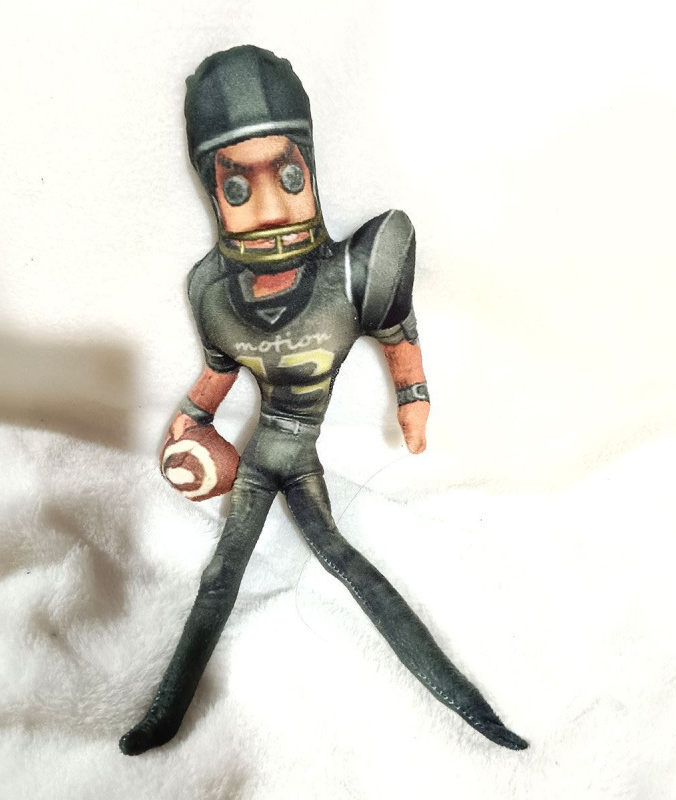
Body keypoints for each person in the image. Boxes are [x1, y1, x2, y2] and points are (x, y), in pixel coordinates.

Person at [119, 45, 527, 756]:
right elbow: (216, 374)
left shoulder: (351, 275)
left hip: (297, 456)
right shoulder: (214, 294)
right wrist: (191, 421)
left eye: (288, 177)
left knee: (345, 562)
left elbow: (397, 333)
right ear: (212, 193)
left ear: (311, 168)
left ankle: (469, 706)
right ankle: (162, 716)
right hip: (259, 460)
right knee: (220, 577)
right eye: (237, 188)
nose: (269, 208)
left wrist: (413, 398)